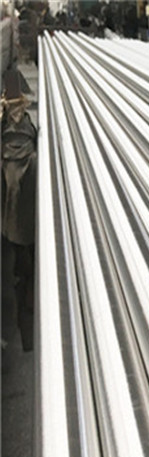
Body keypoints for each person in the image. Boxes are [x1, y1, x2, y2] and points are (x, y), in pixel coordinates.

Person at [1, 69, 36, 351]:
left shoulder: (8, 135)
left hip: (7, 224)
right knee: (25, 275)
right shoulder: (29, 134)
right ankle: (27, 340)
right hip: (24, 225)